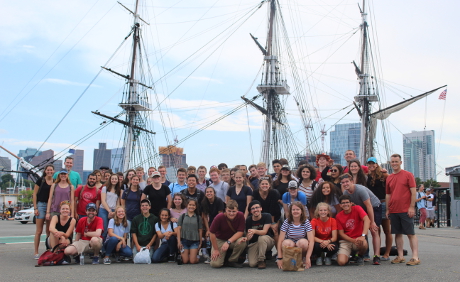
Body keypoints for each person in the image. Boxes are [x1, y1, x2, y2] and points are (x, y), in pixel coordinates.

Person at [385, 153, 420, 266]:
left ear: (400, 162)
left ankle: (415, 256)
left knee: (410, 233)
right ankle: (400, 256)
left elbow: (413, 191)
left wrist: (411, 207)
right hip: (394, 209)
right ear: (390, 163)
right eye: (392, 162)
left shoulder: (408, 175)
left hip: (405, 209)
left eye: (396, 161)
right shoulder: (389, 177)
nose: (394, 163)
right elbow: (388, 195)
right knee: (397, 233)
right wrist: (387, 209)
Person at [340, 173, 382, 265]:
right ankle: (362, 254)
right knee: (362, 230)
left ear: (352, 181)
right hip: (361, 209)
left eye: (347, 181)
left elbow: (369, 206)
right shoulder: (345, 193)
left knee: (374, 230)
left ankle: (376, 256)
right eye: (343, 182)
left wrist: (372, 222)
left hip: (374, 207)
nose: (345, 184)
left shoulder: (360, 190)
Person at [367, 157, 392, 260]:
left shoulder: (383, 175)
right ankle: (377, 252)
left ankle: (387, 253)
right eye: (369, 164)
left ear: (377, 164)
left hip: (383, 202)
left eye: (373, 163)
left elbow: (392, 182)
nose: (371, 165)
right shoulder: (367, 176)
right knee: (376, 230)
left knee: (387, 230)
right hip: (373, 205)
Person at [276, 201, 314, 269]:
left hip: (301, 243)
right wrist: (279, 257)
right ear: (290, 211)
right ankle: (290, 260)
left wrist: (308, 257)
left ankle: (303, 258)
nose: (295, 211)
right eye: (293, 210)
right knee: (286, 243)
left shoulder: (306, 222)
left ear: (301, 211)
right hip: (291, 242)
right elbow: (280, 240)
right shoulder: (287, 221)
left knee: (303, 243)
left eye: (297, 209)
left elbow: (311, 241)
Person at [209, 200, 246, 268]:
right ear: (226, 210)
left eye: (233, 211)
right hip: (220, 239)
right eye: (229, 211)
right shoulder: (219, 217)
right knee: (215, 264)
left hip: (232, 240)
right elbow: (212, 233)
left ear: (237, 210)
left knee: (242, 242)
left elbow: (240, 232)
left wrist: (228, 242)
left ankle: (231, 260)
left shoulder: (241, 215)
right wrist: (216, 249)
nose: (231, 213)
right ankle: (222, 257)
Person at [335, 195, 370, 266]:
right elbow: (341, 234)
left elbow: (367, 220)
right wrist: (353, 241)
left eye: (347, 202)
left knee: (364, 243)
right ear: (340, 205)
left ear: (351, 203)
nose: (345, 204)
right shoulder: (338, 216)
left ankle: (359, 255)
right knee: (341, 262)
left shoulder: (357, 208)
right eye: (343, 203)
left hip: (358, 238)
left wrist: (363, 236)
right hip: (346, 241)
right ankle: (350, 256)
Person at [239, 200, 274, 269]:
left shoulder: (267, 216)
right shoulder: (248, 220)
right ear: (250, 211)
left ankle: (261, 260)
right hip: (255, 243)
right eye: (253, 208)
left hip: (267, 241)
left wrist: (254, 231)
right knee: (252, 264)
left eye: (257, 207)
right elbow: (249, 236)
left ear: (261, 208)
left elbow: (264, 232)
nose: (255, 210)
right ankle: (261, 255)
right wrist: (246, 238)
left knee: (261, 238)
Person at [33, 164, 54, 259]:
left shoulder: (55, 181)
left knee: (49, 230)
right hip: (41, 205)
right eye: (48, 170)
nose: (49, 171)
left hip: (51, 206)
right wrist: (35, 208)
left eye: (51, 170)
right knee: (39, 230)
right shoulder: (40, 181)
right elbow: (34, 194)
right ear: (45, 171)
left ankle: (48, 250)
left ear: (53, 171)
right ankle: (36, 252)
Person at [252, 176, 281, 245]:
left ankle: (279, 253)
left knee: (275, 231)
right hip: (261, 216)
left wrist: (272, 223)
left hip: (274, 216)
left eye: (266, 184)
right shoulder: (255, 193)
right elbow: (256, 207)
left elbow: (273, 208)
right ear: (259, 185)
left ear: (269, 185)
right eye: (262, 184)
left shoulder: (274, 192)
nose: (264, 185)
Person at [201, 187, 225, 264]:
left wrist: (213, 230)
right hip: (210, 222)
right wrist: (208, 229)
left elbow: (220, 216)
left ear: (214, 193)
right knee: (207, 236)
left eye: (211, 191)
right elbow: (204, 216)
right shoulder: (204, 202)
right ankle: (207, 255)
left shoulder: (219, 201)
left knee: (215, 236)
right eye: (207, 192)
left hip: (219, 223)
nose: (209, 193)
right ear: (205, 194)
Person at [176, 199, 202, 264]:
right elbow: (179, 229)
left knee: (192, 261)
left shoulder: (198, 217)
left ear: (196, 207)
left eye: (193, 205)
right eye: (190, 205)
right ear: (187, 206)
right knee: (185, 261)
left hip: (194, 241)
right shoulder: (183, 216)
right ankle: (187, 255)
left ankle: (197, 257)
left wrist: (200, 242)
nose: (191, 206)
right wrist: (179, 242)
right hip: (184, 241)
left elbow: (200, 230)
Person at [98, 174, 121, 241]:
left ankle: (109, 244)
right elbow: (103, 201)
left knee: (112, 229)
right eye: (112, 179)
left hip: (114, 210)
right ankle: (102, 245)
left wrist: (115, 212)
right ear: (110, 180)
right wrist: (109, 211)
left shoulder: (118, 190)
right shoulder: (105, 188)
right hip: (104, 210)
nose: (114, 180)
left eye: (115, 179)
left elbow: (117, 202)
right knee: (104, 228)